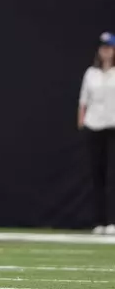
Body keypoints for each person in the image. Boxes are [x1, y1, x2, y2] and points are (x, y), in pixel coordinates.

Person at [78, 32, 115, 235]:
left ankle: (112, 220)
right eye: (103, 48)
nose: (106, 52)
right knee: (97, 175)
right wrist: (82, 121)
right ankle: (99, 221)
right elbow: (84, 99)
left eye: (109, 48)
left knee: (112, 175)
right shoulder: (91, 73)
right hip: (95, 126)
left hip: (113, 126)